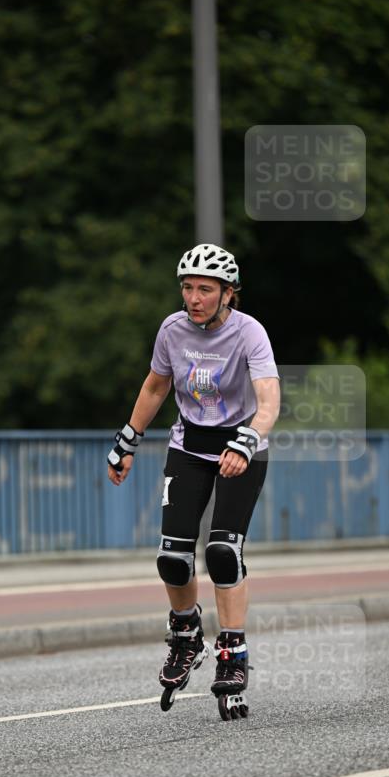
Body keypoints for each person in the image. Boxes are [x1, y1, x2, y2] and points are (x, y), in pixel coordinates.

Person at [107, 243, 280, 717]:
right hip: (189, 447)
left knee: (223, 553)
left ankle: (233, 651)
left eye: (205, 289)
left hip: (242, 450)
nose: (194, 297)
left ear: (228, 294)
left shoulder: (250, 334)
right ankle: (186, 635)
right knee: (172, 559)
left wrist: (246, 441)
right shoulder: (172, 330)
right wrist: (127, 441)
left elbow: (268, 401)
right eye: (187, 287)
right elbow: (156, 385)